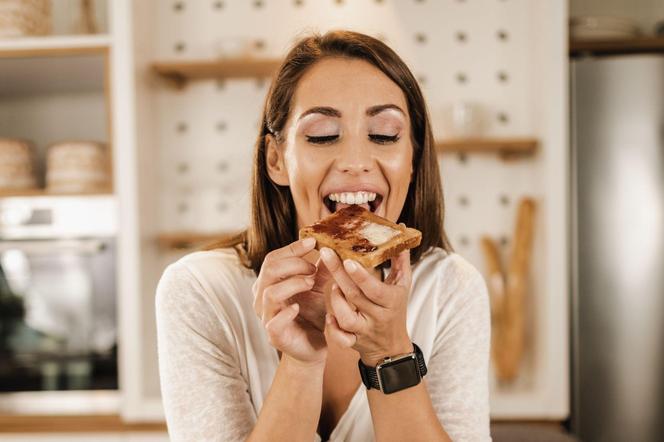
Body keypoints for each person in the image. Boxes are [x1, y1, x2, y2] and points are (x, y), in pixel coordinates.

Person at [156, 30, 491, 442]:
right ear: (276, 160)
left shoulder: (451, 288)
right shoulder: (200, 291)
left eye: (384, 134)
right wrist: (300, 362)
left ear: (413, 159)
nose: (355, 161)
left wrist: (390, 354)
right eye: (322, 135)